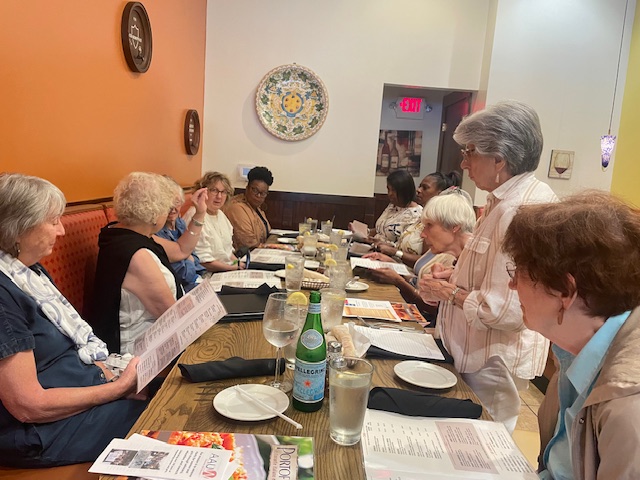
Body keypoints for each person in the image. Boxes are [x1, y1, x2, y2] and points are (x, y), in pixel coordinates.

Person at [418, 100, 557, 433]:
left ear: (499, 158)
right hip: (475, 354)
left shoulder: (520, 209)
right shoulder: (500, 201)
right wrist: (456, 275)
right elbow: (493, 277)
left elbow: (506, 311)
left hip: (491, 362)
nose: (463, 163)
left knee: (480, 441)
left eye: (470, 152)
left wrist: (450, 292)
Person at [0, 173, 146, 467]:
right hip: (43, 431)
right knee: (169, 417)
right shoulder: (4, 297)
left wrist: (111, 376)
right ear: (17, 229)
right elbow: (27, 405)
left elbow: (73, 346)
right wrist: (118, 389)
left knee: (174, 391)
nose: (62, 230)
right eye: (53, 221)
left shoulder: (30, 272)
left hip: (82, 392)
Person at [502, 192, 640, 479]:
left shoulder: (628, 405)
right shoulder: (573, 354)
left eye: (519, 272)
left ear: (564, 291)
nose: (512, 285)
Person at [91, 172, 182, 354]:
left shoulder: (119, 235)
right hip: (140, 350)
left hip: (151, 337)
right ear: (154, 214)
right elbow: (172, 317)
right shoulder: (136, 254)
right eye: (166, 208)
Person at [364, 188, 475, 320]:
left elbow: (435, 309)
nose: (422, 234)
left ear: (454, 226)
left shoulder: (474, 262)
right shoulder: (454, 256)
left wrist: (399, 281)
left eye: (429, 225)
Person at [376, 171, 462, 267]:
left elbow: (426, 261)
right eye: (419, 186)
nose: (418, 190)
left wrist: (395, 252)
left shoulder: (437, 224)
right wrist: (389, 247)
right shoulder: (421, 218)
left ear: (439, 194)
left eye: (425, 188)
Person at [154, 177, 208, 292]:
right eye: (167, 204)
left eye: (176, 202)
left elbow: (195, 258)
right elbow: (182, 274)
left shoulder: (179, 222)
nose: (173, 209)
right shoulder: (155, 230)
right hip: (180, 288)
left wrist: (188, 258)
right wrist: (188, 258)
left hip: (197, 280)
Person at [183, 172, 243, 272]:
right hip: (206, 273)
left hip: (226, 270)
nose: (219, 196)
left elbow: (228, 253)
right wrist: (233, 268)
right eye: (214, 190)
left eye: (223, 192)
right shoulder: (195, 215)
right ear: (202, 191)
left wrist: (239, 264)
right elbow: (203, 262)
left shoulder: (220, 214)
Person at [353, 169, 422, 246]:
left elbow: (405, 246)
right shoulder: (392, 205)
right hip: (373, 247)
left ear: (405, 191)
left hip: (388, 252)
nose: (390, 194)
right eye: (388, 189)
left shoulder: (416, 215)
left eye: (394, 190)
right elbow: (382, 230)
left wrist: (382, 244)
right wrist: (363, 232)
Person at [224, 166, 273, 249]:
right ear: (247, 188)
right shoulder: (236, 207)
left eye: (263, 193)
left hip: (260, 252)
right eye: (255, 190)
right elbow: (249, 243)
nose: (258, 196)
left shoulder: (257, 208)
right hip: (243, 255)